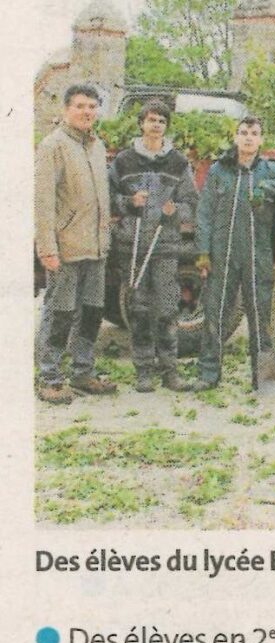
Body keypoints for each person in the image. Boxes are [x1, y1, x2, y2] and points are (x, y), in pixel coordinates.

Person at [194, 116, 275, 390]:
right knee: (215, 313)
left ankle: (265, 378)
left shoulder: (269, 170)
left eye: (254, 133)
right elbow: (204, 212)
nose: (248, 138)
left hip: (258, 252)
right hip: (223, 252)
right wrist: (203, 252)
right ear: (235, 137)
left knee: (261, 315)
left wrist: (265, 188)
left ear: (261, 139)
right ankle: (208, 375)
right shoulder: (220, 170)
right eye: (243, 132)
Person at [109, 98, 199, 393]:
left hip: (165, 246)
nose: (156, 125)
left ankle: (170, 371)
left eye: (161, 121)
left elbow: (190, 201)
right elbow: (109, 199)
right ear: (141, 124)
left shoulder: (177, 161)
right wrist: (129, 202)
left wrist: (177, 211)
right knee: (139, 310)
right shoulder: (123, 161)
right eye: (151, 119)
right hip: (132, 244)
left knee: (167, 309)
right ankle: (143, 372)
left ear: (165, 126)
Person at [35, 83, 116, 403]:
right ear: (66, 109)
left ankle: (83, 372)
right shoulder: (53, 145)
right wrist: (47, 248)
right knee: (60, 313)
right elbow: (43, 202)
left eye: (92, 107)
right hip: (66, 248)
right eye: (80, 106)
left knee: (92, 312)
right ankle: (50, 377)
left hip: (95, 247)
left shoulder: (96, 146)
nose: (87, 112)